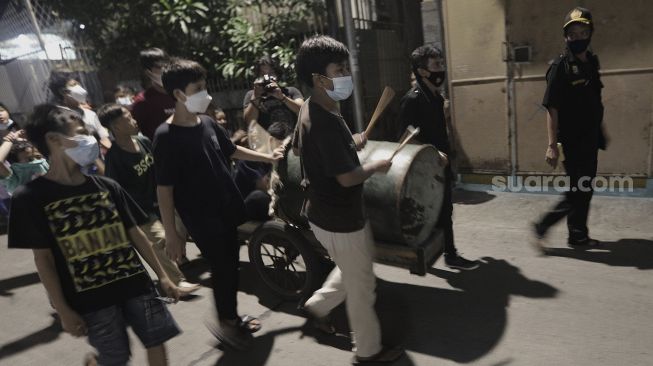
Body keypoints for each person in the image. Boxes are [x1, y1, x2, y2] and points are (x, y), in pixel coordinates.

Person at [8, 104, 182, 365]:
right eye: (80, 133)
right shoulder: (30, 198)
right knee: (115, 358)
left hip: (138, 286)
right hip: (91, 302)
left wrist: (163, 276)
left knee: (156, 338)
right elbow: (43, 260)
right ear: (54, 140)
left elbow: (136, 234)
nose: (90, 140)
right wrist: (63, 310)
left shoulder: (108, 187)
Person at [153, 58, 283, 350]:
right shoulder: (165, 136)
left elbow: (231, 150)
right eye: (198, 88)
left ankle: (230, 318)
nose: (206, 93)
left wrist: (268, 157)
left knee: (231, 267)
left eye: (205, 86)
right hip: (202, 218)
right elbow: (164, 190)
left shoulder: (208, 123)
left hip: (226, 208)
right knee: (223, 268)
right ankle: (225, 324)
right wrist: (173, 235)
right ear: (178, 95)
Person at [293, 35, 403, 364]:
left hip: (326, 215)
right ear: (319, 78)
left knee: (354, 267)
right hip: (340, 219)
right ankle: (368, 352)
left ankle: (317, 306)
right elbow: (347, 177)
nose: (345, 75)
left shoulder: (314, 109)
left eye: (345, 67)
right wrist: (376, 166)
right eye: (339, 69)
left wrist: (353, 142)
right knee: (362, 286)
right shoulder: (323, 120)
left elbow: (307, 151)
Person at [97, 103, 201, 296]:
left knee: (180, 229)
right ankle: (177, 282)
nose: (133, 120)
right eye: (128, 118)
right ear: (116, 126)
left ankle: (179, 261)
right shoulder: (114, 158)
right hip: (140, 210)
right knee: (161, 241)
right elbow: (115, 190)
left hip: (161, 201)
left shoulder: (143, 140)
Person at [398, 45, 479, 270]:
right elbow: (405, 138)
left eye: (441, 64)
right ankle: (448, 255)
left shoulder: (434, 96)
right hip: (425, 168)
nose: (441, 69)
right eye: (436, 65)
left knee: (444, 210)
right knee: (437, 211)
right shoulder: (413, 100)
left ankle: (441, 253)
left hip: (441, 163)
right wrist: (433, 154)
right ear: (422, 71)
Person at [534, 7, 607, 250]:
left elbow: (593, 100)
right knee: (578, 191)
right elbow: (551, 108)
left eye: (582, 32)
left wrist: (600, 131)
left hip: (590, 138)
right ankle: (543, 225)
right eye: (572, 34)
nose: (577, 38)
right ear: (566, 37)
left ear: (590, 33)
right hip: (573, 142)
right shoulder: (560, 67)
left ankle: (578, 235)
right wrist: (552, 145)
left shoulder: (591, 62)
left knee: (584, 190)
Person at [233, 121, 290, 220]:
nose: (285, 148)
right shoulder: (249, 160)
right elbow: (266, 187)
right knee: (259, 197)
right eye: (283, 144)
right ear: (271, 140)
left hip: (265, 206)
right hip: (246, 208)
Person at [47, 72, 112, 150]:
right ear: (63, 92)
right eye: (73, 85)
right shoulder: (57, 118)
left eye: (78, 84)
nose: (79, 88)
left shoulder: (90, 114)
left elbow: (104, 137)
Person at [242, 56, 304, 132]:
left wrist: (283, 98)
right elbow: (249, 121)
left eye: (271, 73)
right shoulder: (252, 95)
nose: (267, 78)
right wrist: (256, 97)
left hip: (291, 140)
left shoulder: (290, 91)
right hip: (266, 142)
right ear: (258, 77)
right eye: (263, 74)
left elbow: (303, 111)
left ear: (277, 74)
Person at [131, 48, 176, 140]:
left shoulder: (182, 92)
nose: (165, 69)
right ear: (148, 72)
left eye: (167, 64)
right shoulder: (142, 102)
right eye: (160, 67)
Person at [0, 130, 49, 194]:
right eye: (29, 159)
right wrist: (10, 139)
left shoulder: (45, 161)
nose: (21, 142)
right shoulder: (14, 176)